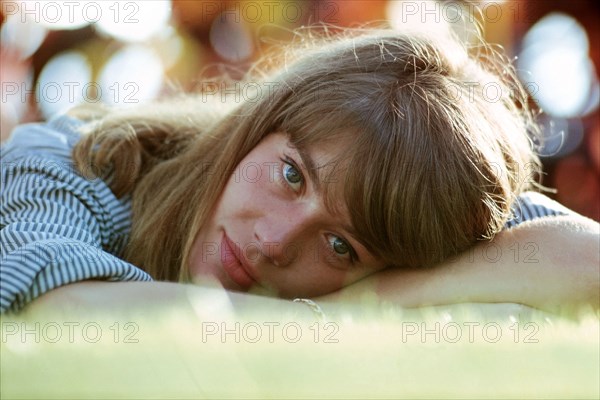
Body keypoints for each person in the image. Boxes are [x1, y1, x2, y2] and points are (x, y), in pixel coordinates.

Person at [1, 26, 598, 316]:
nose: (276, 241)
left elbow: (588, 261)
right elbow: (62, 304)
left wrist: (375, 297)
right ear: (263, 119)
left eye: (342, 246)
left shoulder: (411, 204)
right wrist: (327, 317)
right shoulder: (77, 160)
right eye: (292, 175)